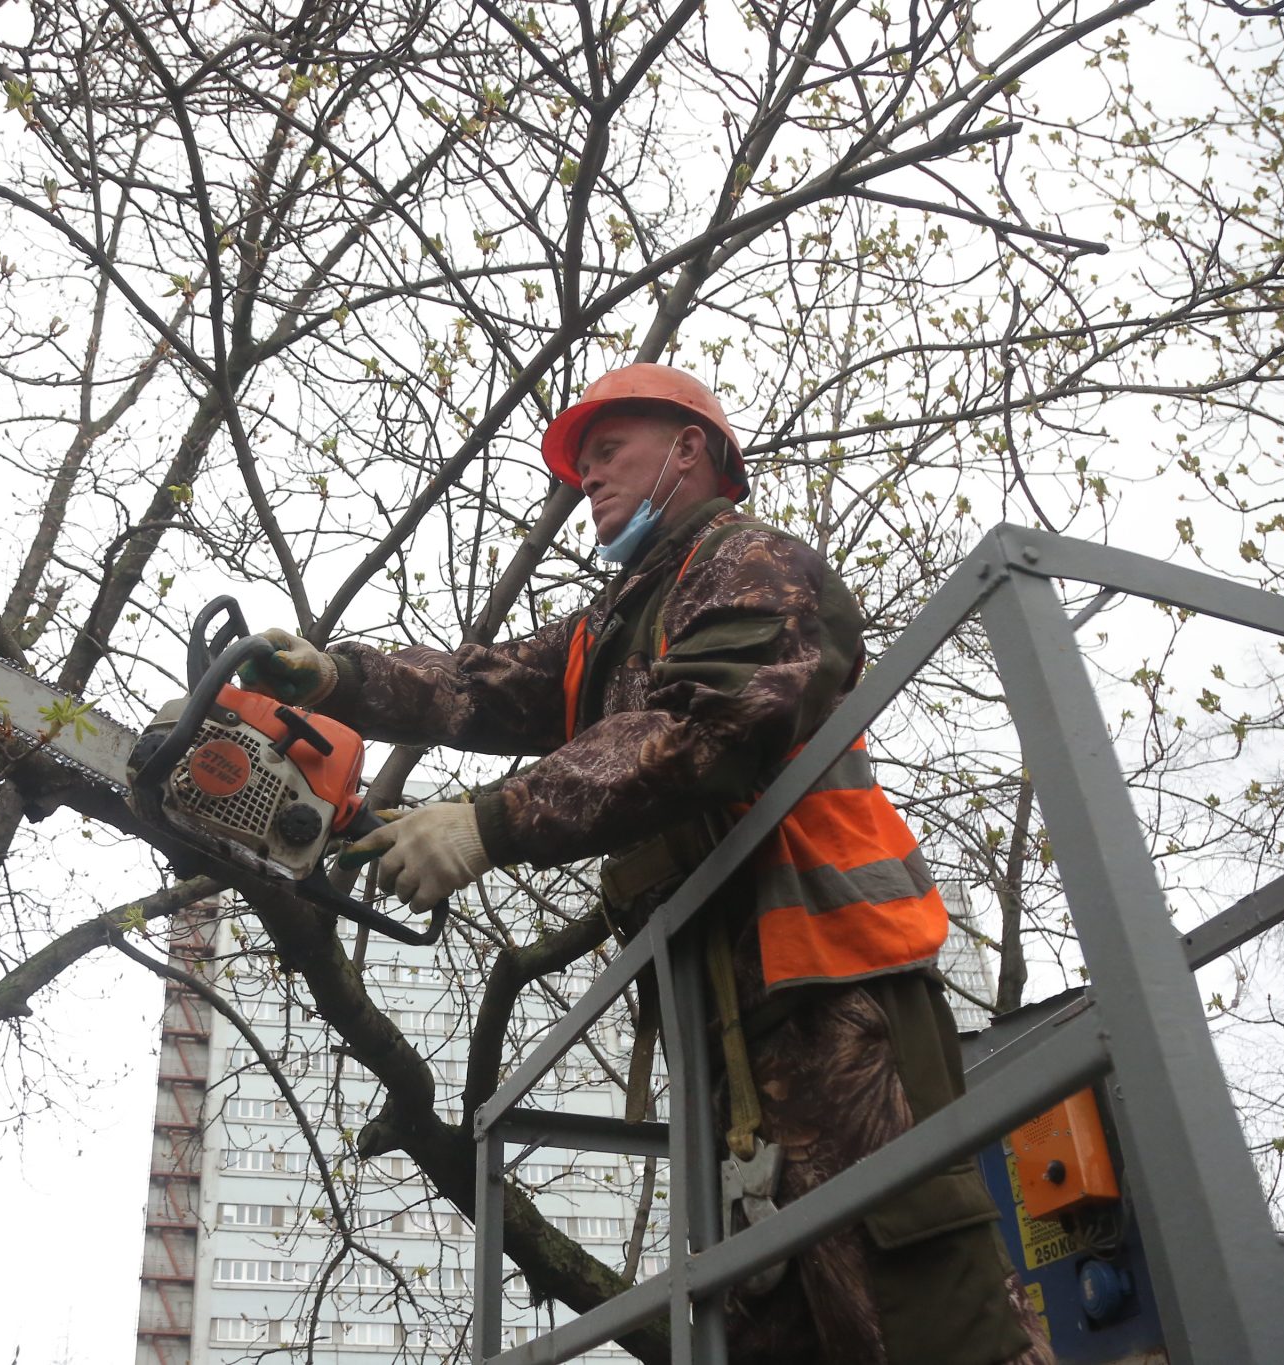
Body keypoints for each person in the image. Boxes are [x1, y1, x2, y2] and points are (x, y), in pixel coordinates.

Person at [239, 362, 1053, 1365]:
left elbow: (712, 725)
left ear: (688, 448)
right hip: (723, 1024)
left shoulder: (751, 563)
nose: (586, 476)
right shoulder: (616, 625)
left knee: (918, 1315)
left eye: (606, 450)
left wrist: (486, 824)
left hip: (837, 994)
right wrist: (338, 677)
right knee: (771, 1324)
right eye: (578, 465)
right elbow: (483, 685)